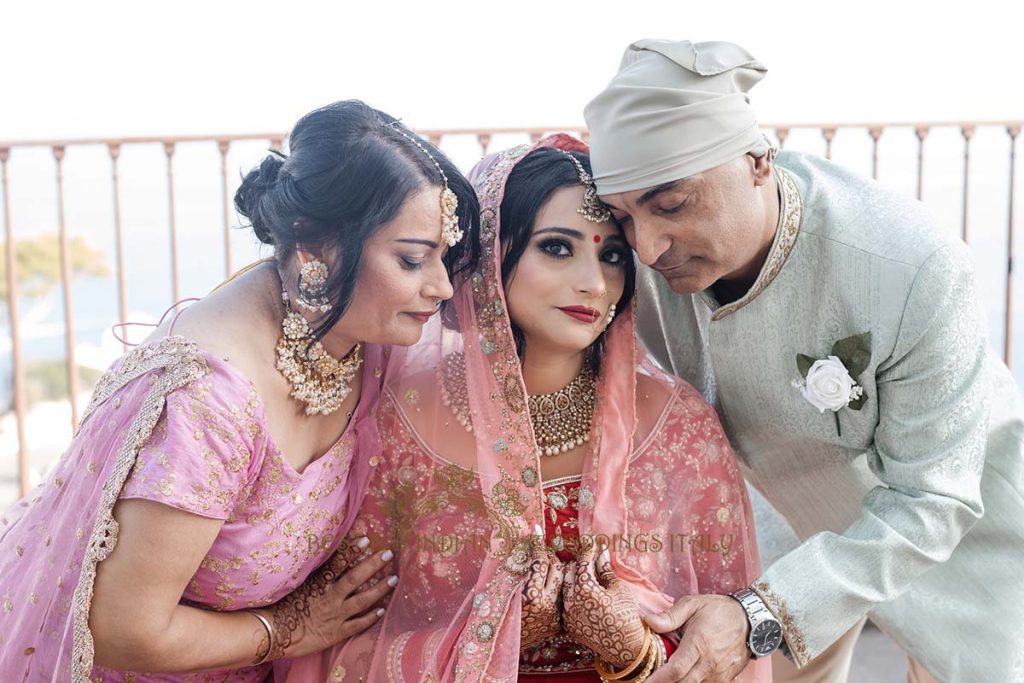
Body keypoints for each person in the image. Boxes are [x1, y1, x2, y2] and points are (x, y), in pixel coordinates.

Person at [583, 39, 1024, 682]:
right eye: (624, 216)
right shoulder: (635, 263)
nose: (648, 247)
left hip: (959, 530)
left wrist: (763, 613)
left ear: (760, 161)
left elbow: (934, 499)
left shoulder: (910, 266)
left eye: (672, 203)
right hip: (775, 520)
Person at [0, 99, 480, 681]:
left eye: (444, 260)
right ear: (315, 249)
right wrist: (291, 630)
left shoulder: (359, 334)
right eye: (411, 260)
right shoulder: (207, 402)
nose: (441, 288)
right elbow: (122, 629)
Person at [279, 134, 770, 682]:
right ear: (490, 251)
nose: (593, 283)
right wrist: (494, 635)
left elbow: (726, 646)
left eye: (611, 255)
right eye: (557, 247)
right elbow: (348, 641)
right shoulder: (401, 420)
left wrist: (635, 649)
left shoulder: (677, 427)